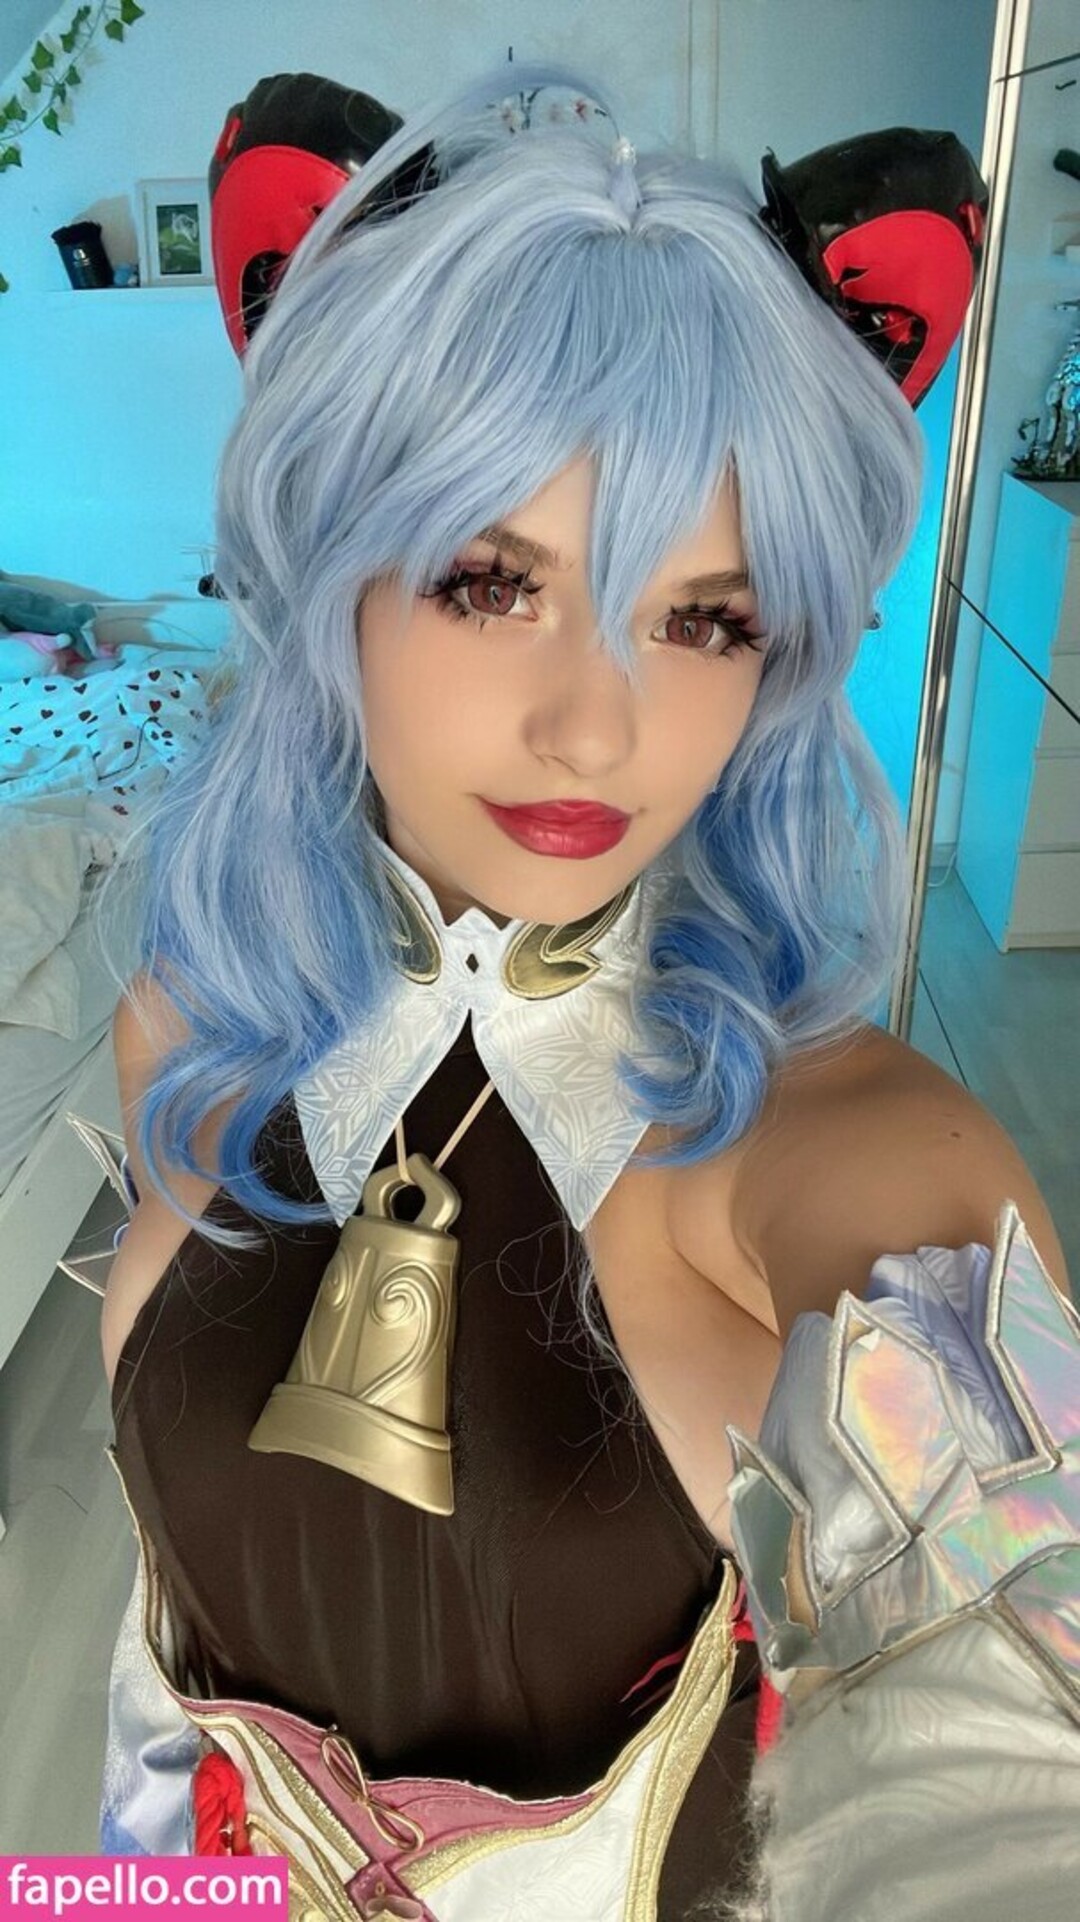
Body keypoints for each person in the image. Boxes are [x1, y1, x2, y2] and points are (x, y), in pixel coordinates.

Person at [88, 57, 1075, 1921]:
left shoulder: (844, 1156)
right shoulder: (191, 1034)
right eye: (492, 579)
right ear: (331, 576)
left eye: (706, 617)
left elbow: (1015, 1759)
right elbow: (160, 1700)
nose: (601, 725)